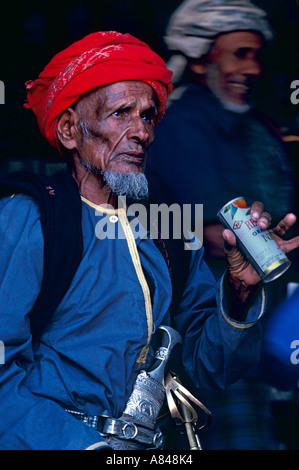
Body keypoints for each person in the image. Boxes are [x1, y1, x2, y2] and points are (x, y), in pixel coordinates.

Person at [0, 30, 298, 451]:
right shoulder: (29, 218)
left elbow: (213, 367)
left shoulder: (167, 227)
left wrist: (240, 290)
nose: (141, 132)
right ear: (69, 130)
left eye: (148, 116)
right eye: (121, 113)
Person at [145, 0, 298, 449]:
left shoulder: (254, 127)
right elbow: (217, 236)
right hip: (208, 330)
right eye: (238, 53)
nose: (250, 68)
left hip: (259, 326)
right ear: (199, 58)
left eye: (255, 55)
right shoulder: (183, 124)